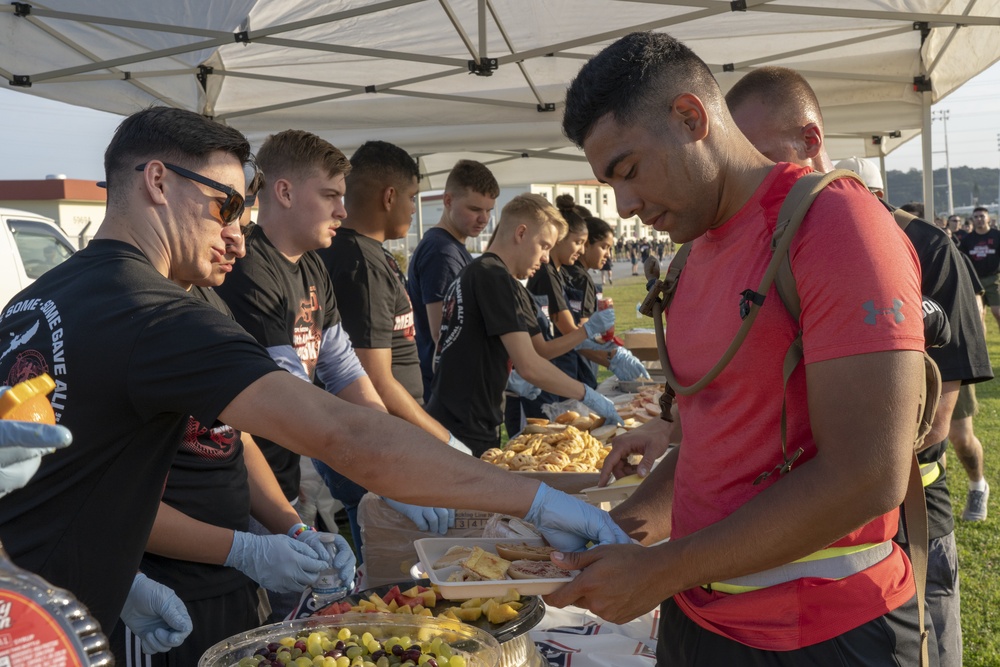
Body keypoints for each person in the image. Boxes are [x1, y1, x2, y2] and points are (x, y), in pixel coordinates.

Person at [0, 107, 629, 659]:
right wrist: (536, 500)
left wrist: (122, 566)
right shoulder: (152, 309)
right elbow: (342, 433)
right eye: (225, 205)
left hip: (42, 604)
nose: (235, 236)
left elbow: (58, 478)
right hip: (59, 628)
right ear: (158, 181)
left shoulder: (38, 301)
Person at [548, 32, 930, 665]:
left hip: (823, 634)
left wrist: (664, 568)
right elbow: (710, 441)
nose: (625, 204)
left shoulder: (834, 225)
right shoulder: (694, 252)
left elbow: (868, 475)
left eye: (629, 170)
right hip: (700, 622)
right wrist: (621, 530)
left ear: (690, 117)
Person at [725, 67, 989, 667]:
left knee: (929, 638)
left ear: (812, 143)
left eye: (768, 158)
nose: (759, 180)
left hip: (905, 506)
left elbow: (938, 412)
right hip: (810, 522)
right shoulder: (765, 244)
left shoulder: (927, 247)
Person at [113, 171, 354, 665]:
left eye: (243, 224)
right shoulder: (129, 313)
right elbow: (119, 505)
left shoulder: (208, 301)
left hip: (239, 588)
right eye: (225, 216)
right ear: (159, 186)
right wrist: (247, 550)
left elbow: (235, 439)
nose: (238, 245)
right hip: (165, 597)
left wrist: (293, 530)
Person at [214, 131, 455, 568]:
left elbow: (346, 372)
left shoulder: (310, 265)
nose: (343, 211)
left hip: (282, 477)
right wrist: (386, 477)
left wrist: (393, 456)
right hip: (237, 490)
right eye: (330, 196)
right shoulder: (249, 267)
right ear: (284, 192)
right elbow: (287, 394)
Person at [316, 140, 475, 550]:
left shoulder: (369, 255)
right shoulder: (359, 263)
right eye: (411, 197)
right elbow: (372, 379)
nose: (411, 208)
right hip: (378, 452)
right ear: (389, 196)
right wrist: (442, 441)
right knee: (396, 572)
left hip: (389, 445)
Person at [427, 194, 622, 456]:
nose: (544, 258)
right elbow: (529, 365)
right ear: (521, 233)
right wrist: (588, 395)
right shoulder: (493, 276)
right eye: (543, 246)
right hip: (464, 425)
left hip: (465, 418)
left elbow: (534, 350)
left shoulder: (485, 274)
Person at [407, 160, 499, 401]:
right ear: (448, 201)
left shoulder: (453, 247)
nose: (484, 218)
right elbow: (443, 334)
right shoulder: (442, 252)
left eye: (489, 210)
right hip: (445, 389)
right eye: (475, 209)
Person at [958, 206, 1000, 331]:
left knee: (997, 312)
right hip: (974, 281)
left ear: (988, 218)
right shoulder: (967, 239)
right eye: (976, 217)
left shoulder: (997, 235)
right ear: (972, 220)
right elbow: (963, 260)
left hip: (994, 278)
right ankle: (982, 349)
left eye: (982, 216)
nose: (979, 219)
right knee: (979, 315)